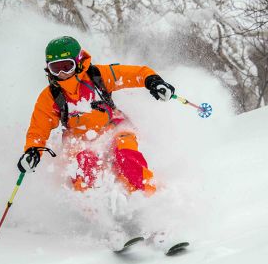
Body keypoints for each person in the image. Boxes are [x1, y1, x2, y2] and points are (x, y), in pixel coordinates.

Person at [17, 36, 175, 195]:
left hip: (115, 129)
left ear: (78, 62)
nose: (62, 73)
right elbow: (38, 128)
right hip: (79, 141)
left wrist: (153, 81)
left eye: (67, 66)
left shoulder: (97, 76)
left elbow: (131, 74)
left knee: (126, 158)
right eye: (55, 68)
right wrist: (33, 151)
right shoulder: (51, 96)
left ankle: (150, 196)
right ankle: (95, 211)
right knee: (86, 166)